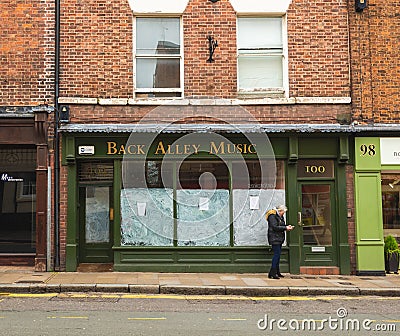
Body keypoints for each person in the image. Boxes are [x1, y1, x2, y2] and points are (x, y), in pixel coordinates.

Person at [266, 205, 294, 279]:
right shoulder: (272, 216)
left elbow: (281, 225)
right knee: (276, 255)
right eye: (283, 212)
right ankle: (272, 273)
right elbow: (274, 227)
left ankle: (277, 272)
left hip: (279, 238)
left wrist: (287, 226)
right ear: (280, 211)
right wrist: (285, 228)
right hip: (274, 238)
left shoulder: (279, 216)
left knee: (278, 255)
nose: (283, 214)